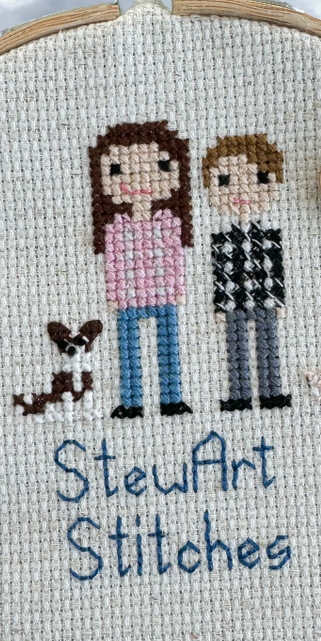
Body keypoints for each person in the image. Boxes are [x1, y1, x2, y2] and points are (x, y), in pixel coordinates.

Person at [88, 121, 193, 418]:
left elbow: (175, 261)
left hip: (163, 295)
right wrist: (113, 295)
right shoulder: (115, 229)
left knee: (168, 347)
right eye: (120, 170)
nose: (137, 179)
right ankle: (132, 402)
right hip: (128, 298)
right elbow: (114, 265)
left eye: (157, 166)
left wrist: (178, 291)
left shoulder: (169, 223)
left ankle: (171, 400)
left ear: (174, 175)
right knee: (129, 351)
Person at [203, 134, 290, 410]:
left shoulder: (270, 235)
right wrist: (219, 305)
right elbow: (219, 274)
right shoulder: (222, 239)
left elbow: (275, 270)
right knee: (236, 349)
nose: (240, 193)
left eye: (260, 179)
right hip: (234, 303)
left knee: (268, 350)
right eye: (225, 182)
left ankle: (271, 393)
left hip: (264, 301)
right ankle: (239, 396)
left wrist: (278, 301)